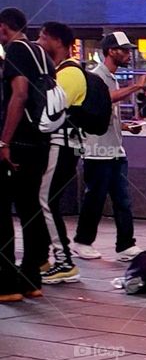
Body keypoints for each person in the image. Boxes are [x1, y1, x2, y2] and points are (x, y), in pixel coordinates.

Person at [73, 31, 143, 262]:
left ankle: (125, 245)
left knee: (123, 200)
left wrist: (125, 127)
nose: (128, 55)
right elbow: (105, 100)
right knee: (95, 198)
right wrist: (136, 87)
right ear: (111, 51)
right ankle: (83, 241)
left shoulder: (111, 78)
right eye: (125, 50)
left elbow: (104, 115)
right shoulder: (95, 78)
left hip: (114, 149)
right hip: (97, 150)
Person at [0, 8, 54, 301]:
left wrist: (3, 142)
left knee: (2, 210)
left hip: (18, 142)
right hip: (41, 140)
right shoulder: (40, 53)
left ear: (4, 27)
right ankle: (31, 277)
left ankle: (6, 282)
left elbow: (19, 94)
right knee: (30, 207)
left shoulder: (16, 51)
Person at [37, 21, 86, 285]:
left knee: (45, 200)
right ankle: (47, 257)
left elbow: (51, 111)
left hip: (62, 145)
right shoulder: (60, 71)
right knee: (46, 201)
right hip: (60, 145)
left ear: (57, 41)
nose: (39, 41)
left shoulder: (69, 73)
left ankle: (65, 261)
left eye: (43, 37)